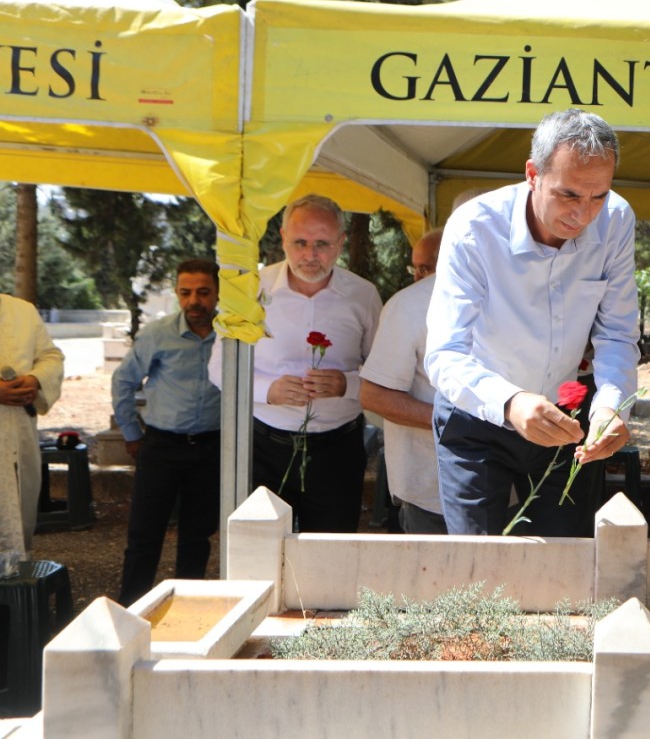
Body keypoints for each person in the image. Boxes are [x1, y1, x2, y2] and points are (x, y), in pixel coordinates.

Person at [425, 108, 640, 537]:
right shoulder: (473, 228)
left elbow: (617, 332)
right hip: (478, 412)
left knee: (565, 562)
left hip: (567, 415)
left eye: (598, 195)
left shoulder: (616, 218)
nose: (584, 214)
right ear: (532, 174)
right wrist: (510, 402)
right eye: (569, 195)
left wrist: (610, 406)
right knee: (476, 566)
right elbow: (444, 353)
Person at [212, 194, 382, 532]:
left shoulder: (364, 296)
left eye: (322, 244)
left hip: (337, 448)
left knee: (330, 553)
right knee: (259, 549)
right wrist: (267, 390)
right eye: (300, 243)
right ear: (283, 237)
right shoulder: (249, 291)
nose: (310, 255)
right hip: (263, 446)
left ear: (341, 242)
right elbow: (218, 368)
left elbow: (385, 374)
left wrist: (347, 384)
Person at [113, 260, 223, 604]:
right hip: (161, 447)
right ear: (177, 293)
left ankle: (186, 613)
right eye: (185, 292)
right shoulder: (157, 334)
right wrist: (132, 434)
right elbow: (124, 381)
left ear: (217, 293)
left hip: (212, 448)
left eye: (203, 292)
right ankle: (130, 611)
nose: (194, 301)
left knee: (197, 537)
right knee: (145, 535)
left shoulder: (233, 335)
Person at [359, 229, 446, 534]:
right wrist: (455, 423)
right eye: (417, 268)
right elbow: (374, 396)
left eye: (427, 267)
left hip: (505, 483)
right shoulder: (408, 305)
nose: (419, 276)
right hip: (428, 489)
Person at [0, 294, 64, 558]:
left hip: (17, 434)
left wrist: (36, 379)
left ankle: (14, 592)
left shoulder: (22, 311)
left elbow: (50, 356)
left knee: (14, 523)